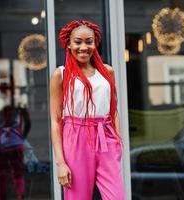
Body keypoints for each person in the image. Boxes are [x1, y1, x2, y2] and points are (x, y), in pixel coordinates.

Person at [50, 20, 126, 199]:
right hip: (75, 137)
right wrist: (61, 163)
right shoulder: (60, 75)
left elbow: (113, 110)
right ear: (68, 43)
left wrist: (118, 140)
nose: (83, 47)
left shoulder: (108, 72)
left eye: (89, 41)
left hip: (105, 137)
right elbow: (55, 120)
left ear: (95, 43)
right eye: (78, 42)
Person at [0, 82, 31, 200]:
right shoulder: (19, 102)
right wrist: (22, 137)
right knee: (18, 173)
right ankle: (20, 196)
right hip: (16, 140)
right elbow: (28, 122)